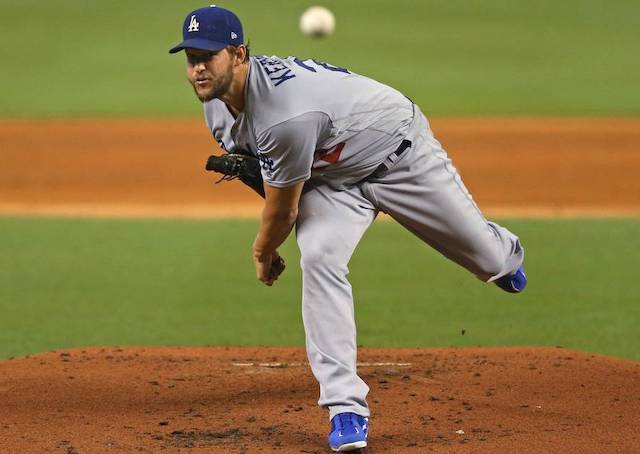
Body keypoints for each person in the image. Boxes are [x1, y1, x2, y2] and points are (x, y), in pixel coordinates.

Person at [170, 5, 526, 452]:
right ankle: (346, 408)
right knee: (319, 256)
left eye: (209, 56)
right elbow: (279, 182)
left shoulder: (285, 115)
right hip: (334, 181)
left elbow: (282, 212)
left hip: (400, 155)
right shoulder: (218, 110)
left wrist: (263, 253)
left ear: (239, 55)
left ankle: (505, 254)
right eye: (191, 58)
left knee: (490, 260)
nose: (199, 68)